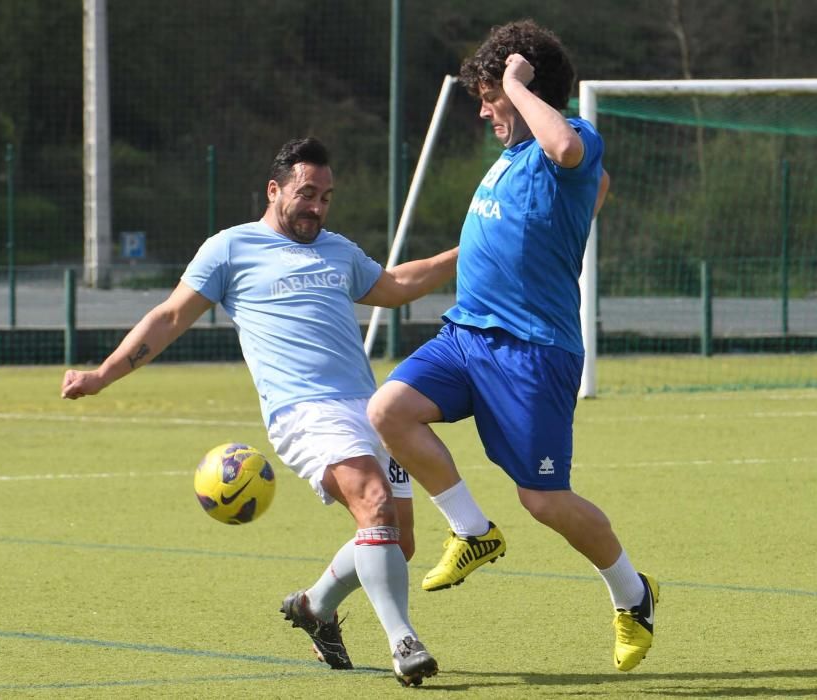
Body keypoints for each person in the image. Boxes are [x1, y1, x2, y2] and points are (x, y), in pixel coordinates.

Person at [61, 137, 451, 687]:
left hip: (372, 409)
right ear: (275, 190)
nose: (316, 206)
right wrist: (103, 375)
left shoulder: (338, 250)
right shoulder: (230, 249)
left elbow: (396, 285)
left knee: (396, 541)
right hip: (302, 410)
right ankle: (403, 643)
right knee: (375, 504)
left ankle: (314, 606)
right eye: (306, 193)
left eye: (326, 197)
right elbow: (170, 316)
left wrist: (471, 251)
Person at [367, 20, 658, 672]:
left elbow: (567, 152)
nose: (482, 108)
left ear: (521, 86)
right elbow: (588, 190)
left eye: (489, 94)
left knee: (544, 501)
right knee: (388, 410)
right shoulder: (513, 159)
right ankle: (471, 530)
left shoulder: (570, 138)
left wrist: (517, 86)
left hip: (532, 352)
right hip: (465, 336)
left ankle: (632, 595)